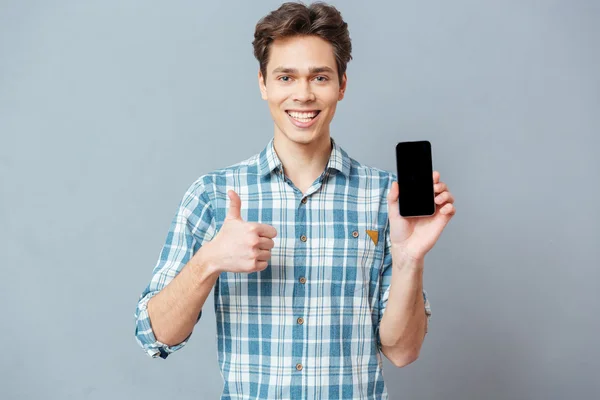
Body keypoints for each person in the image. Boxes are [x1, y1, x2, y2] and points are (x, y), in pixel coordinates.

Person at [134, 2, 456, 399]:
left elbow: (402, 351)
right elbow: (154, 335)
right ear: (263, 84)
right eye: (286, 77)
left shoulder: (385, 198)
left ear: (342, 85)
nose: (303, 95)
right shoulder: (213, 196)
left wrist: (410, 259)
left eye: (319, 77)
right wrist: (209, 260)